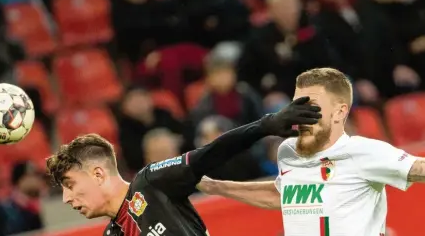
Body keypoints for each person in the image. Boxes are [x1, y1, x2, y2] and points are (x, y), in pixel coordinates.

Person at [196, 67, 425, 236]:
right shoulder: (288, 152)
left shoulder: (364, 151)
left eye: (312, 108)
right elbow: (283, 195)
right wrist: (214, 186)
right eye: (297, 105)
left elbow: (418, 169)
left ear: (339, 112)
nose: (300, 115)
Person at [46, 97, 322, 236]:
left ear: (97, 174)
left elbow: (209, 153)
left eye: (70, 185)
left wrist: (266, 125)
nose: (67, 198)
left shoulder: (151, 183)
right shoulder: (113, 233)